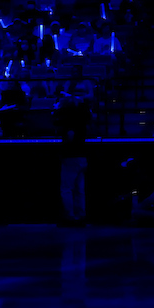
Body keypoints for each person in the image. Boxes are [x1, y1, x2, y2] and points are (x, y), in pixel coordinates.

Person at [56, 93, 89, 225]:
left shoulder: (69, 121)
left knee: (66, 188)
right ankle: (81, 215)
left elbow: (69, 137)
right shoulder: (82, 119)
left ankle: (69, 216)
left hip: (71, 156)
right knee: (80, 189)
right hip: (82, 156)